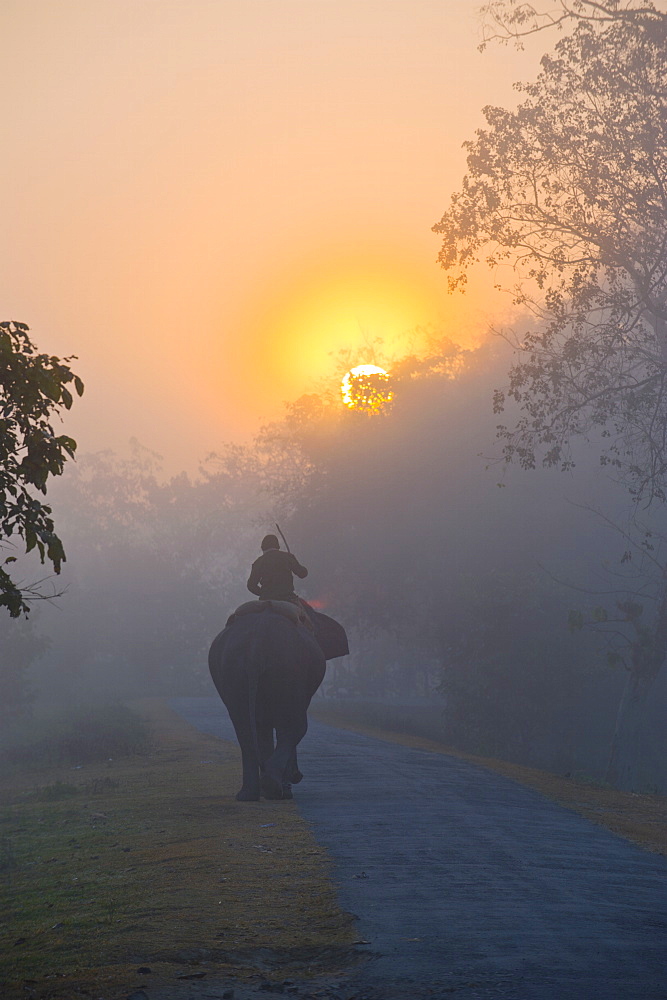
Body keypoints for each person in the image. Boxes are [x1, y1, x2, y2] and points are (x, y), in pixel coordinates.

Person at [247, 534, 308, 602]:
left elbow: (251, 586)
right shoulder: (288, 557)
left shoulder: (258, 562)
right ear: (278, 546)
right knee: (307, 611)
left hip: (266, 599)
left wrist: (263, 593)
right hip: (288, 598)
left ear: (263, 547)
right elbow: (303, 574)